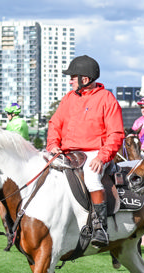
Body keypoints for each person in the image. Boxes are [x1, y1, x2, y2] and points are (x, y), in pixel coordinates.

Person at [47, 55, 124, 248]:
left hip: (95, 153)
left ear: (85, 79)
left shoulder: (106, 98)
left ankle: (100, 227)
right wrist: (52, 145)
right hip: (67, 152)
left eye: (73, 76)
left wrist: (102, 156)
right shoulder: (68, 98)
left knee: (91, 178)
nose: (70, 79)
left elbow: (116, 133)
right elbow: (55, 124)